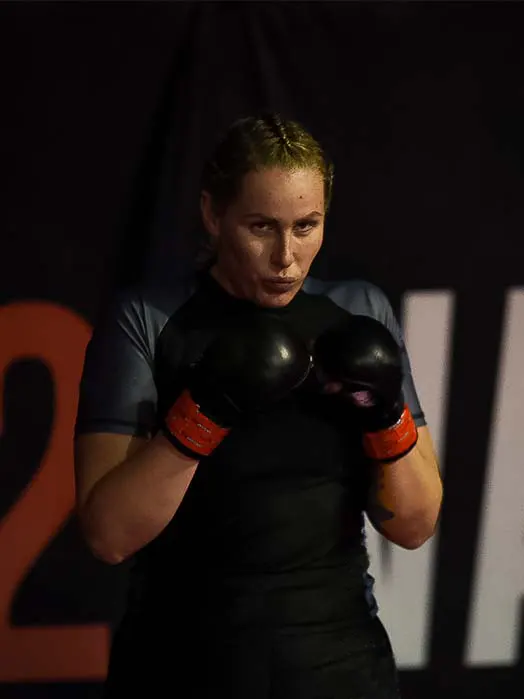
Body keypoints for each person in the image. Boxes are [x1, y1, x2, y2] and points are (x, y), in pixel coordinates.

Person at [74, 114, 442, 698]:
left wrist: (383, 414)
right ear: (212, 214)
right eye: (261, 227)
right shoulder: (148, 320)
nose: (286, 257)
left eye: (306, 226)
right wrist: (204, 411)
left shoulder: (358, 312)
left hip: (339, 665)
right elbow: (108, 536)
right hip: (181, 666)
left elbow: (416, 525)